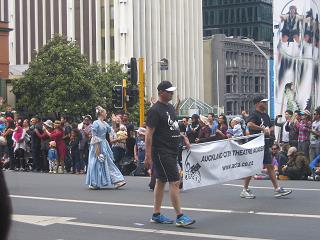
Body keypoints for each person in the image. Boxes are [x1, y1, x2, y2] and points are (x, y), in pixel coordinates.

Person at [145, 81, 195, 227]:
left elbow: (172, 128)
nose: (171, 93)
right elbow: (149, 134)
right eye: (169, 91)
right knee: (175, 181)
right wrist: (148, 156)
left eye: (172, 91)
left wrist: (183, 137)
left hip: (172, 150)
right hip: (161, 151)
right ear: (161, 92)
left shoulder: (170, 108)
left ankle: (156, 214)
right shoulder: (155, 110)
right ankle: (180, 216)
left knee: (161, 181)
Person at [240, 96, 292, 199]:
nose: (266, 104)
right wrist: (262, 129)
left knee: (270, 166)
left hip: (265, 144)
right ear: (258, 103)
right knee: (252, 168)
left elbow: (270, 126)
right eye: (264, 102)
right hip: (255, 145)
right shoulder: (254, 114)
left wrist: (270, 129)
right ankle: (244, 190)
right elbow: (249, 124)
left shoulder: (266, 115)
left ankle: (277, 189)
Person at [85, 106, 126, 190]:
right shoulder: (96, 123)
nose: (106, 114)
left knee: (108, 162)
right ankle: (94, 182)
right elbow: (94, 137)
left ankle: (117, 180)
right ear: (101, 113)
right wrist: (98, 152)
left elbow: (112, 130)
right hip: (97, 145)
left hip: (104, 144)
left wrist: (114, 121)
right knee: (95, 163)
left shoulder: (105, 123)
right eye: (105, 112)